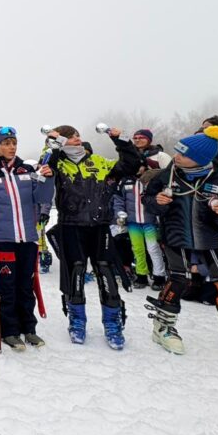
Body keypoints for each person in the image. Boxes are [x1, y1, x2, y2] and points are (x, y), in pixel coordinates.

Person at [143, 126, 218, 362]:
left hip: (210, 239)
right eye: (177, 151)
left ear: (200, 159)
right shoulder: (167, 175)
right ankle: (163, 326)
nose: (176, 157)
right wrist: (157, 202)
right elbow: (148, 200)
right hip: (176, 236)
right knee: (179, 280)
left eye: (183, 154)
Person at [43, 124, 141, 349]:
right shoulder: (58, 162)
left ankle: (112, 322)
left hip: (99, 227)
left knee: (106, 272)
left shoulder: (98, 162)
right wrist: (56, 143)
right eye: (70, 137)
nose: (76, 138)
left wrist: (121, 140)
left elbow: (131, 165)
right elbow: (46, 167)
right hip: (71, 226)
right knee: (75, 272)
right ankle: (77, 321)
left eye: (77, 135)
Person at [0, 127, 54, 351]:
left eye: (14, 143)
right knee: (6, 287)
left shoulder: (27, 170)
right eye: (6, 143)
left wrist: (48, 179)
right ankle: (9, 331)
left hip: (27, 239)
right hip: (2, 239)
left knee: (26, 286)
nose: (12, 147)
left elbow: (42, 197)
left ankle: (29, 328)